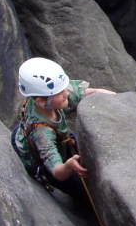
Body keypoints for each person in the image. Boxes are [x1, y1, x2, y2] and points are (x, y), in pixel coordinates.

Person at [11, 57, 115, 199]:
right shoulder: (41, 133)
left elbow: (84, 93)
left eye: (64, 88)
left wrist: (111, 96)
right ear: (41, 101)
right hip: (44, 155)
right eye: (60, 92)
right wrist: (69, 165)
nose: (66, 93)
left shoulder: (52, 99)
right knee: (83, 192)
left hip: (60, 137)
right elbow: (57, 171)